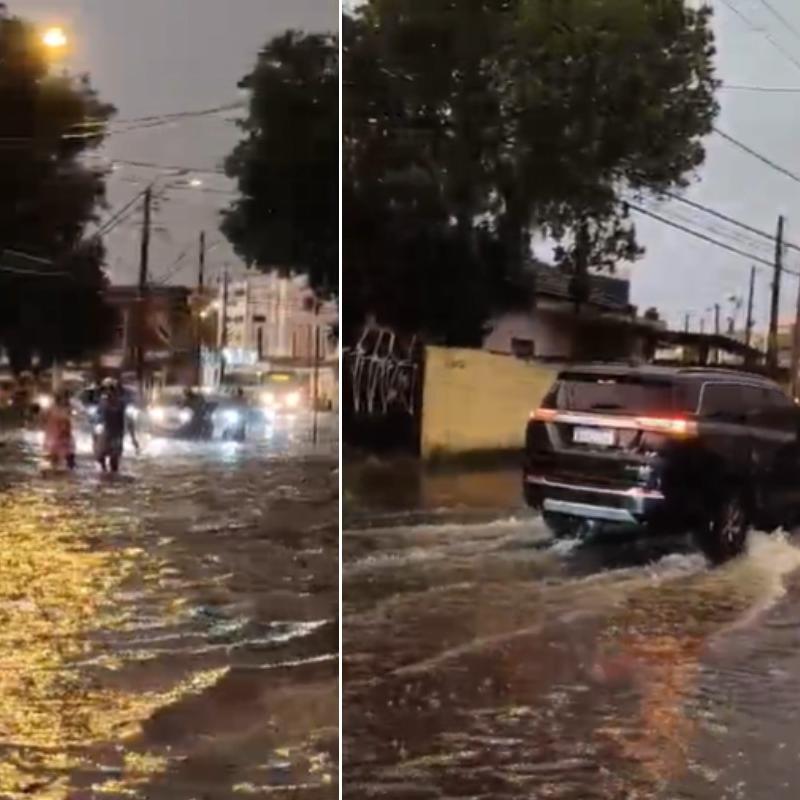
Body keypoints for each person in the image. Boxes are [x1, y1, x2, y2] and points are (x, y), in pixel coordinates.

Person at [94, 378, 139, 473]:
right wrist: (95, 438)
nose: (108, 392)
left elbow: (129, 421)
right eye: (106, 389)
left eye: (111, 389)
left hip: (117, 436)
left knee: (114, 462)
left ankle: (112, 480)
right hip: (105, 434)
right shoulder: (102, 403)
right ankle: (105, 475)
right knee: (100, 458)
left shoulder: (122, 404)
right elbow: (97, 421)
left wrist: (133, 439)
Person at [42, 389, 76, 470]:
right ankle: (55, 473)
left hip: (65, 435)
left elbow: (71, 419)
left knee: (70, 456)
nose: (65, 399)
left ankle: (69, 473)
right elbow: (44, 418)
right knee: (55, 457)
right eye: (63, 397)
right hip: (55, 436)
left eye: (66, 397)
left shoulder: (69, 407)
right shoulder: (51, 408)